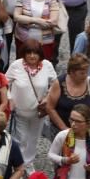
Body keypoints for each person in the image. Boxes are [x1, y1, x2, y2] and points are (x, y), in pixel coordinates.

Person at [6, 39, 57, 167]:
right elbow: (4, 83)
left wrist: (47, 97)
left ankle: (28, 163)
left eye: (35, 53)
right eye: (29, 52)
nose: (32, 56)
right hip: (20, 111)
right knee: (20, 139)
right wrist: (9, 98)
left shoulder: (47, 66)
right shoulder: (16, 65)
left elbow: (56, 84)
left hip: (39, 112)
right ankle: (18, 165)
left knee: (33, 139)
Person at [45, 53, 90, 138]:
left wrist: (88, 127)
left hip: (82, 133)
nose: (85, 75)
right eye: (82, 73)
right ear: (72, 72)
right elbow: (50, 108)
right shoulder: (59, 83)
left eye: (86, 72)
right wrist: (64, 130)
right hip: (59, 131)